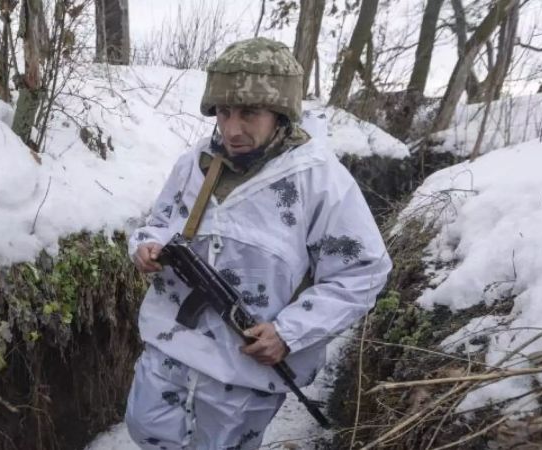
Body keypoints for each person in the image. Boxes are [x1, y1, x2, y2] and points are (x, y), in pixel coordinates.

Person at [125, 37, 392, 450]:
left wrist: (289, 332)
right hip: (170, 348)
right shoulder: (194, 163)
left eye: (249, 113)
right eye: (224, 112)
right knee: (147, 433)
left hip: (244, 374)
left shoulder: (319, 179)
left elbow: (362, 271)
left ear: (280, 113)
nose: (232, 129)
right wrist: (147, 245)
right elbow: (160, 222)